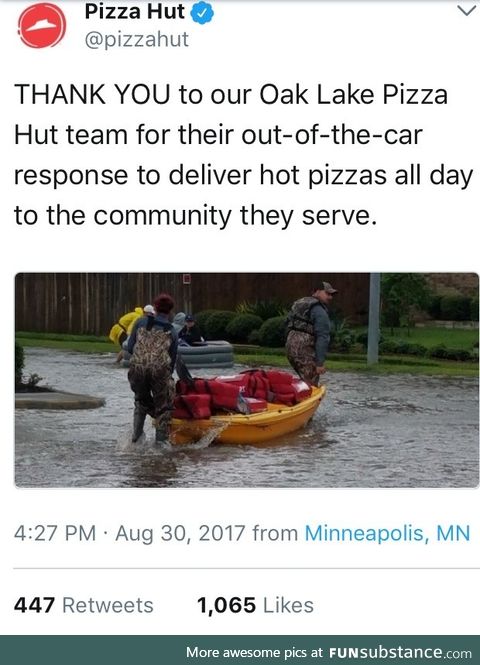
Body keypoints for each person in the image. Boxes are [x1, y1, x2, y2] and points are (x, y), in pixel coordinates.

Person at [126, 293, 178, 444]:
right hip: (160, 370)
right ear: (170, 311)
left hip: (137, 368)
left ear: (154, 307)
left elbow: (130, 348)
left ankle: (135, 439)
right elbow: (172, 361)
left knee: (140, 400)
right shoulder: (172, 331)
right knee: (163, 408)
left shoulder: (140, 322)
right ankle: (160, 447)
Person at [285, 281, 338, 386]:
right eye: (327, 293)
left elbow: (287, 323)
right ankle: (305, 401)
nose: (330, 297)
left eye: (331, 294)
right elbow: (323, 336)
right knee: (311, 382)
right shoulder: (319, 310)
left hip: (290, 346)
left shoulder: (301, 304)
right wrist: (320, 363)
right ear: (317, 292)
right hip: (304, 349)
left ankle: (295, 397)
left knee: (304, 380)